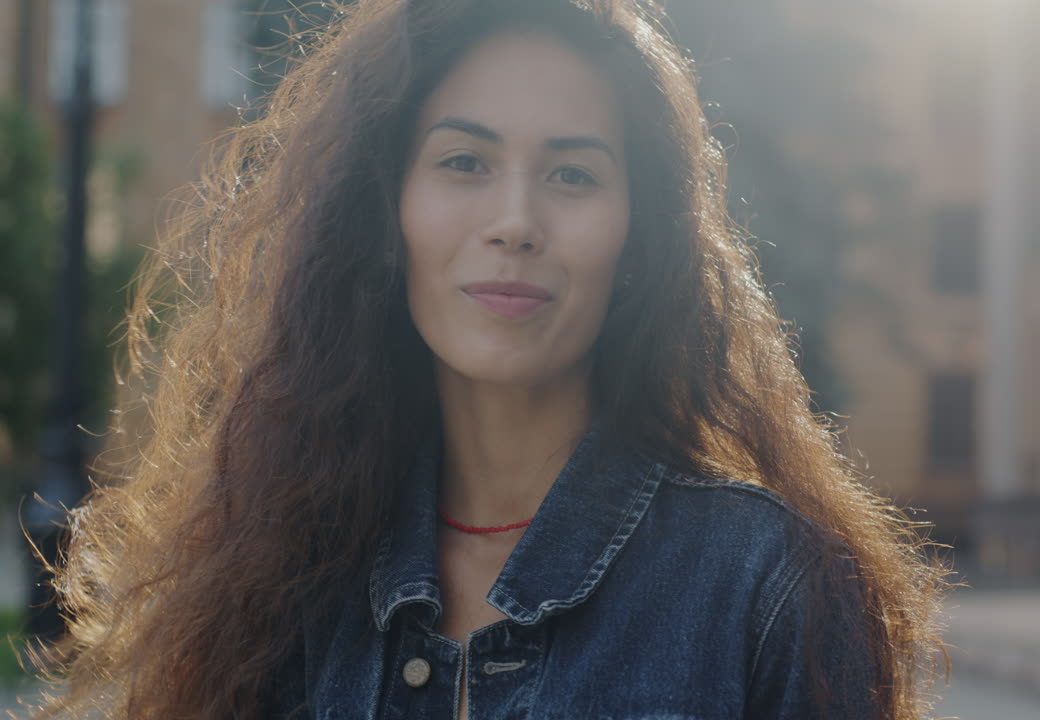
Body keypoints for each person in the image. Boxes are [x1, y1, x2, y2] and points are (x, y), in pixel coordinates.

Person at [32, 0, 947, 717]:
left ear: (639, 242)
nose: (515, 221)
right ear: (385, 217)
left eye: (572, 174)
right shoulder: (276, 578)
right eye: (464, 163)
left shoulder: (768, 586)